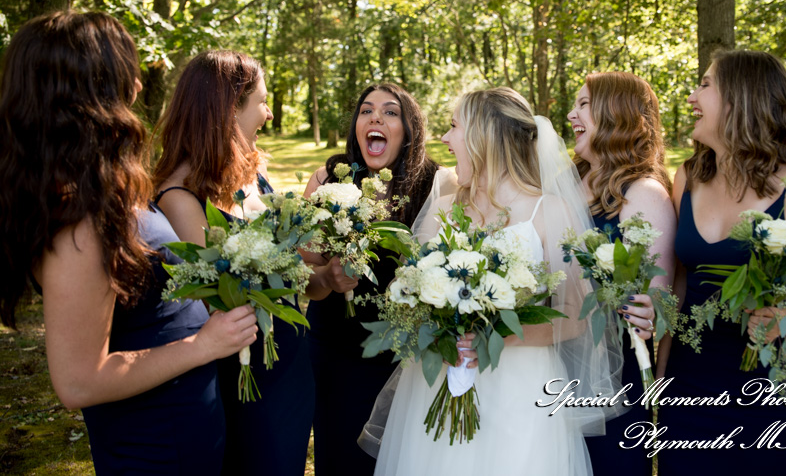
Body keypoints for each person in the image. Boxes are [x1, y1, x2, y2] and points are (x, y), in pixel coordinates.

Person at [0, 11, 258, 474]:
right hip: (153, 446)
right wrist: (202, 345)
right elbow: (78, 383)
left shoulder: (100, 188)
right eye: (126, 70)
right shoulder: (78, 221)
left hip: (188, 429)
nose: (138, 84)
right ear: (92, 88)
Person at [372, 87, 624, 476]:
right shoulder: (441, 210)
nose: (445, 138)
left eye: (454, 126)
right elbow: (409, 295)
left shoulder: (549, 211)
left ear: (484, 136)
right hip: (437, 382)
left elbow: (575, 317)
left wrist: (496, 336)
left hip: (520, 394)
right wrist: (436, 325)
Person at [655, 50, 786, 474]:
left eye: (705, 84)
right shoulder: (688, 178)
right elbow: (680, 284)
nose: (691, 96)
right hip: (689, 384)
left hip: (768, 390)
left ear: (742, 98)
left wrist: (781, 319)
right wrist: (663, 366)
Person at [153, 50, 314, 474]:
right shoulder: (179, 199)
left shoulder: (254, 178)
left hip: (289, 369)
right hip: (243, 380)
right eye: (261, 101)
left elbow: (293, 265)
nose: (269, 112)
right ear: (226, 110)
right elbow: (216, 299)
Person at [302, 82, 441, 475]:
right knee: (341, 458)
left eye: (390, 111)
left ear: (409, 129)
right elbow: (304, 267)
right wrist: (327, 276)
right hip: (335, 349)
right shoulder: (329, 179)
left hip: (405, 358)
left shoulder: (435, 184)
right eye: (366, 110)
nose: (375, 117)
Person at [568, 72, 675, 475]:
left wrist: (652, 310)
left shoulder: (643, 193)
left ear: (616, 114)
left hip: (613, 377)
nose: (570, 114)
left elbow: (658, 306)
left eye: (583, 105)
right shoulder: (571, 179)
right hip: (555, 358)